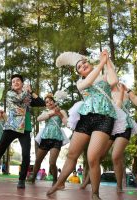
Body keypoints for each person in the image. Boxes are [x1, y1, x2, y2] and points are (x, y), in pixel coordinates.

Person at [47, 50, 118, 200]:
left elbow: (113, 81)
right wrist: (101, 64)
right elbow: (88, 82)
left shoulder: (104, 76)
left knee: (92, 157)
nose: (82, 66)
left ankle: (95, 193)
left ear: (90, 63)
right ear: (79, 72)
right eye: (79, 66)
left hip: (104, 118)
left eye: (84, 62)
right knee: (72, 154)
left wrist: (108, 61)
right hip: (86, 118)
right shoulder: (80, 82)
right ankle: (59, 183)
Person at [0, 74, 45, 189]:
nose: (15, 82)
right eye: (13, 81)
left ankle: (22, 180)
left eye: (18, 80)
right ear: (12, 85)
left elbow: (41, 103)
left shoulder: (27, 96)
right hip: (11, 127)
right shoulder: (10, 94)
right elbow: (19, 99)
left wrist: (32, 91)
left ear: (22, 83)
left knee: (26, 155)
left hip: (25, 129)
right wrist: (27, 91)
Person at [29, 93, 68, 185]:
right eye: (46, 102)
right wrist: (52, 114)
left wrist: (59, 115)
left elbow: (67, 123)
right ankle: (33, 178)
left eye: (50, 101)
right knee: (38, 160)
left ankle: (55, 180)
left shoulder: (61, 111)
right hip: (45, 138)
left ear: (54, 102)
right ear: (45, 104)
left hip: (57, 139)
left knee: (52, 162)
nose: (49, 103)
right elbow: (39, 119)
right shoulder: (46, 112)